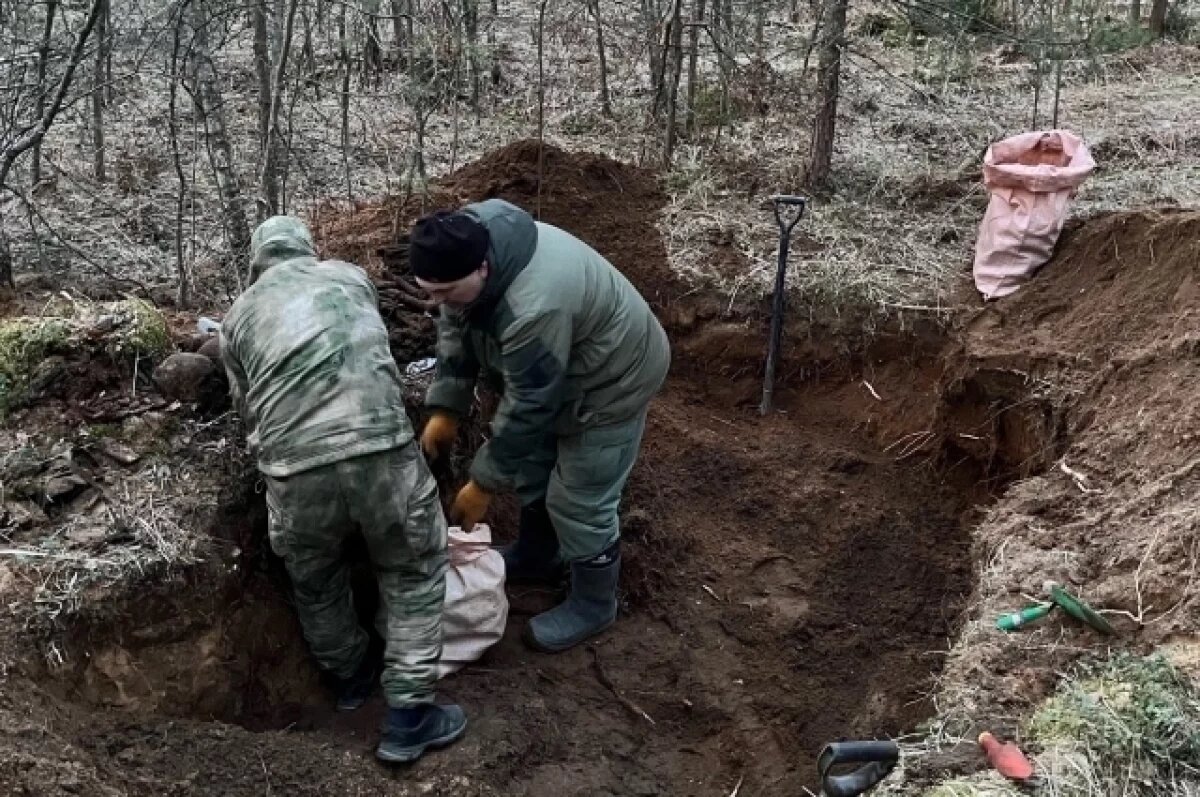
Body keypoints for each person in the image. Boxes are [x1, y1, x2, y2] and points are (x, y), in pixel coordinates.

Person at [218, 216, 465, 764]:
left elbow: (245, 408)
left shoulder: (236, 318)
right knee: (414, 569)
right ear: (307, 249)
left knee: (317, 582)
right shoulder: (349, 277)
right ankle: (408, 715)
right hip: (380, 449)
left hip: (295, 470)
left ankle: (352, 679)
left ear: (258, 262)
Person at [411, 198, 670, 653]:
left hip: (613, 377)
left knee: (578, 496)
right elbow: (456, 328)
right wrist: (445, 410)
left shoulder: (533, 307)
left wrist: (483, 483)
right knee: (532, 462)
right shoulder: (462, 243)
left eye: (445, 291)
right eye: (428, 292)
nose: (436, 303)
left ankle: (594, 603)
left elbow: (532, 402)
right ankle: (539, 554)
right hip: (557, 366)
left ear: (483, 271)